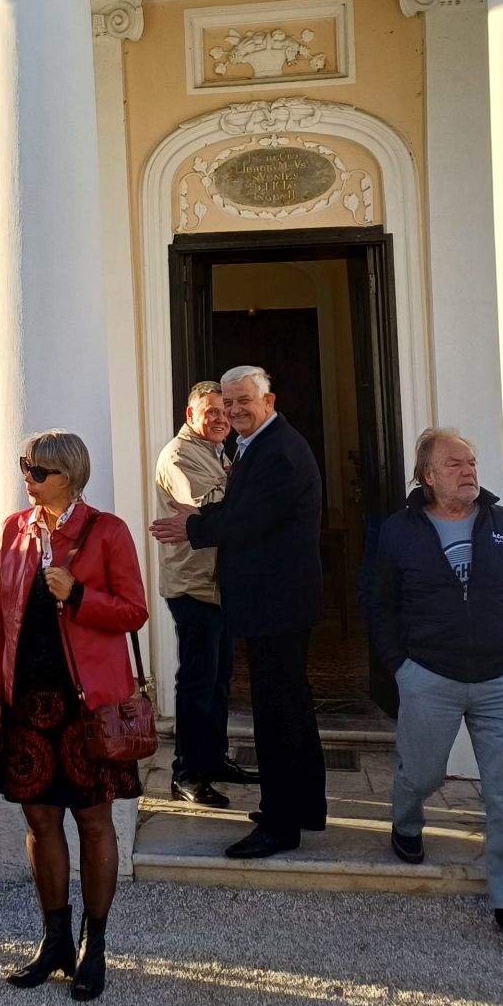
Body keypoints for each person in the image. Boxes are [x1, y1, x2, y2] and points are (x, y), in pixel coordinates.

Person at [364, 428, 503, 960]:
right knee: (422, 773)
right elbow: (379, 603)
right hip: (430, 677)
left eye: (471, 462)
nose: (469, 470)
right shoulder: (399, 532)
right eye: (454, 463)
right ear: (428, 475)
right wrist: (401, 667)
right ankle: (406, 821)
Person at [0, 430, 148, 1002]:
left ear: (69, 476)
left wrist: (78, 595)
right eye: (24, 466)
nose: (27, 478)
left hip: (87, 706)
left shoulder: (107, 531)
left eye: (38, 471)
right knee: (40, 821)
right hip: (28, 703)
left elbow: (134, 611)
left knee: (94, 821)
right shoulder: (14, 531)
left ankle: (92, 947)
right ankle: (54, 941)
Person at [151, 365, 325, 860]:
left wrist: (195, 526)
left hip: (277, 603)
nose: (233, 411)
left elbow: (249, 519)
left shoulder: (276, 450)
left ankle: (280, 824)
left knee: (277, 714)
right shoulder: (259, 445)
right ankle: (304, 806)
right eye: (227, 403)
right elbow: (239, 509)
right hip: (274, 601)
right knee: (289, 706)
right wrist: (203, 520)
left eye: (242, 400)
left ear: (268, 401)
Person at [153, 381, 258, 806]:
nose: (220, 418)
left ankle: (213, 760)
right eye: (210, 410)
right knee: (197, 683)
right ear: (190, 415)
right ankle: (186, 773)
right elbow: (208, 506)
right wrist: (246, 490)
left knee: (218, 681)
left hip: (218, 586)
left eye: (224, 410)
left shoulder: (218, 453)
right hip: (193, 586)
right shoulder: (179, 455)